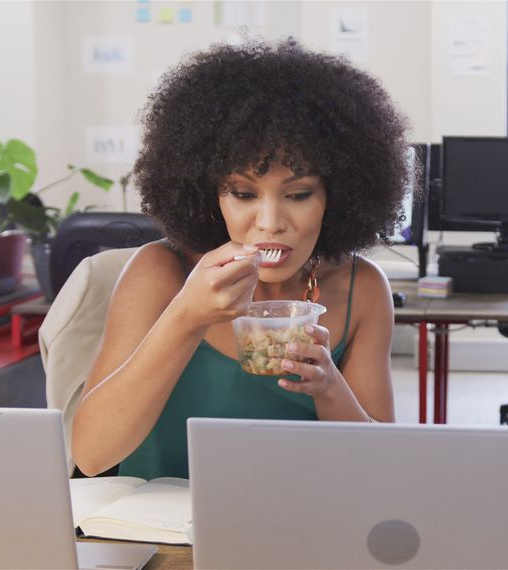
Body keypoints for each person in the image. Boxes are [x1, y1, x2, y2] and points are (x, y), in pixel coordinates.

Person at [71, 40, 411, 479]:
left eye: (298, 194)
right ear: (210, 195)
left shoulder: (361, 288)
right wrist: (185, 317)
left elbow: (380, 468)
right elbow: (91, 456)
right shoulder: (160, 273)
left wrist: (329, 386)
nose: (270, 223)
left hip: (301, 524)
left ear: (335, 197)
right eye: (244, 193)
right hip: (162, 531)